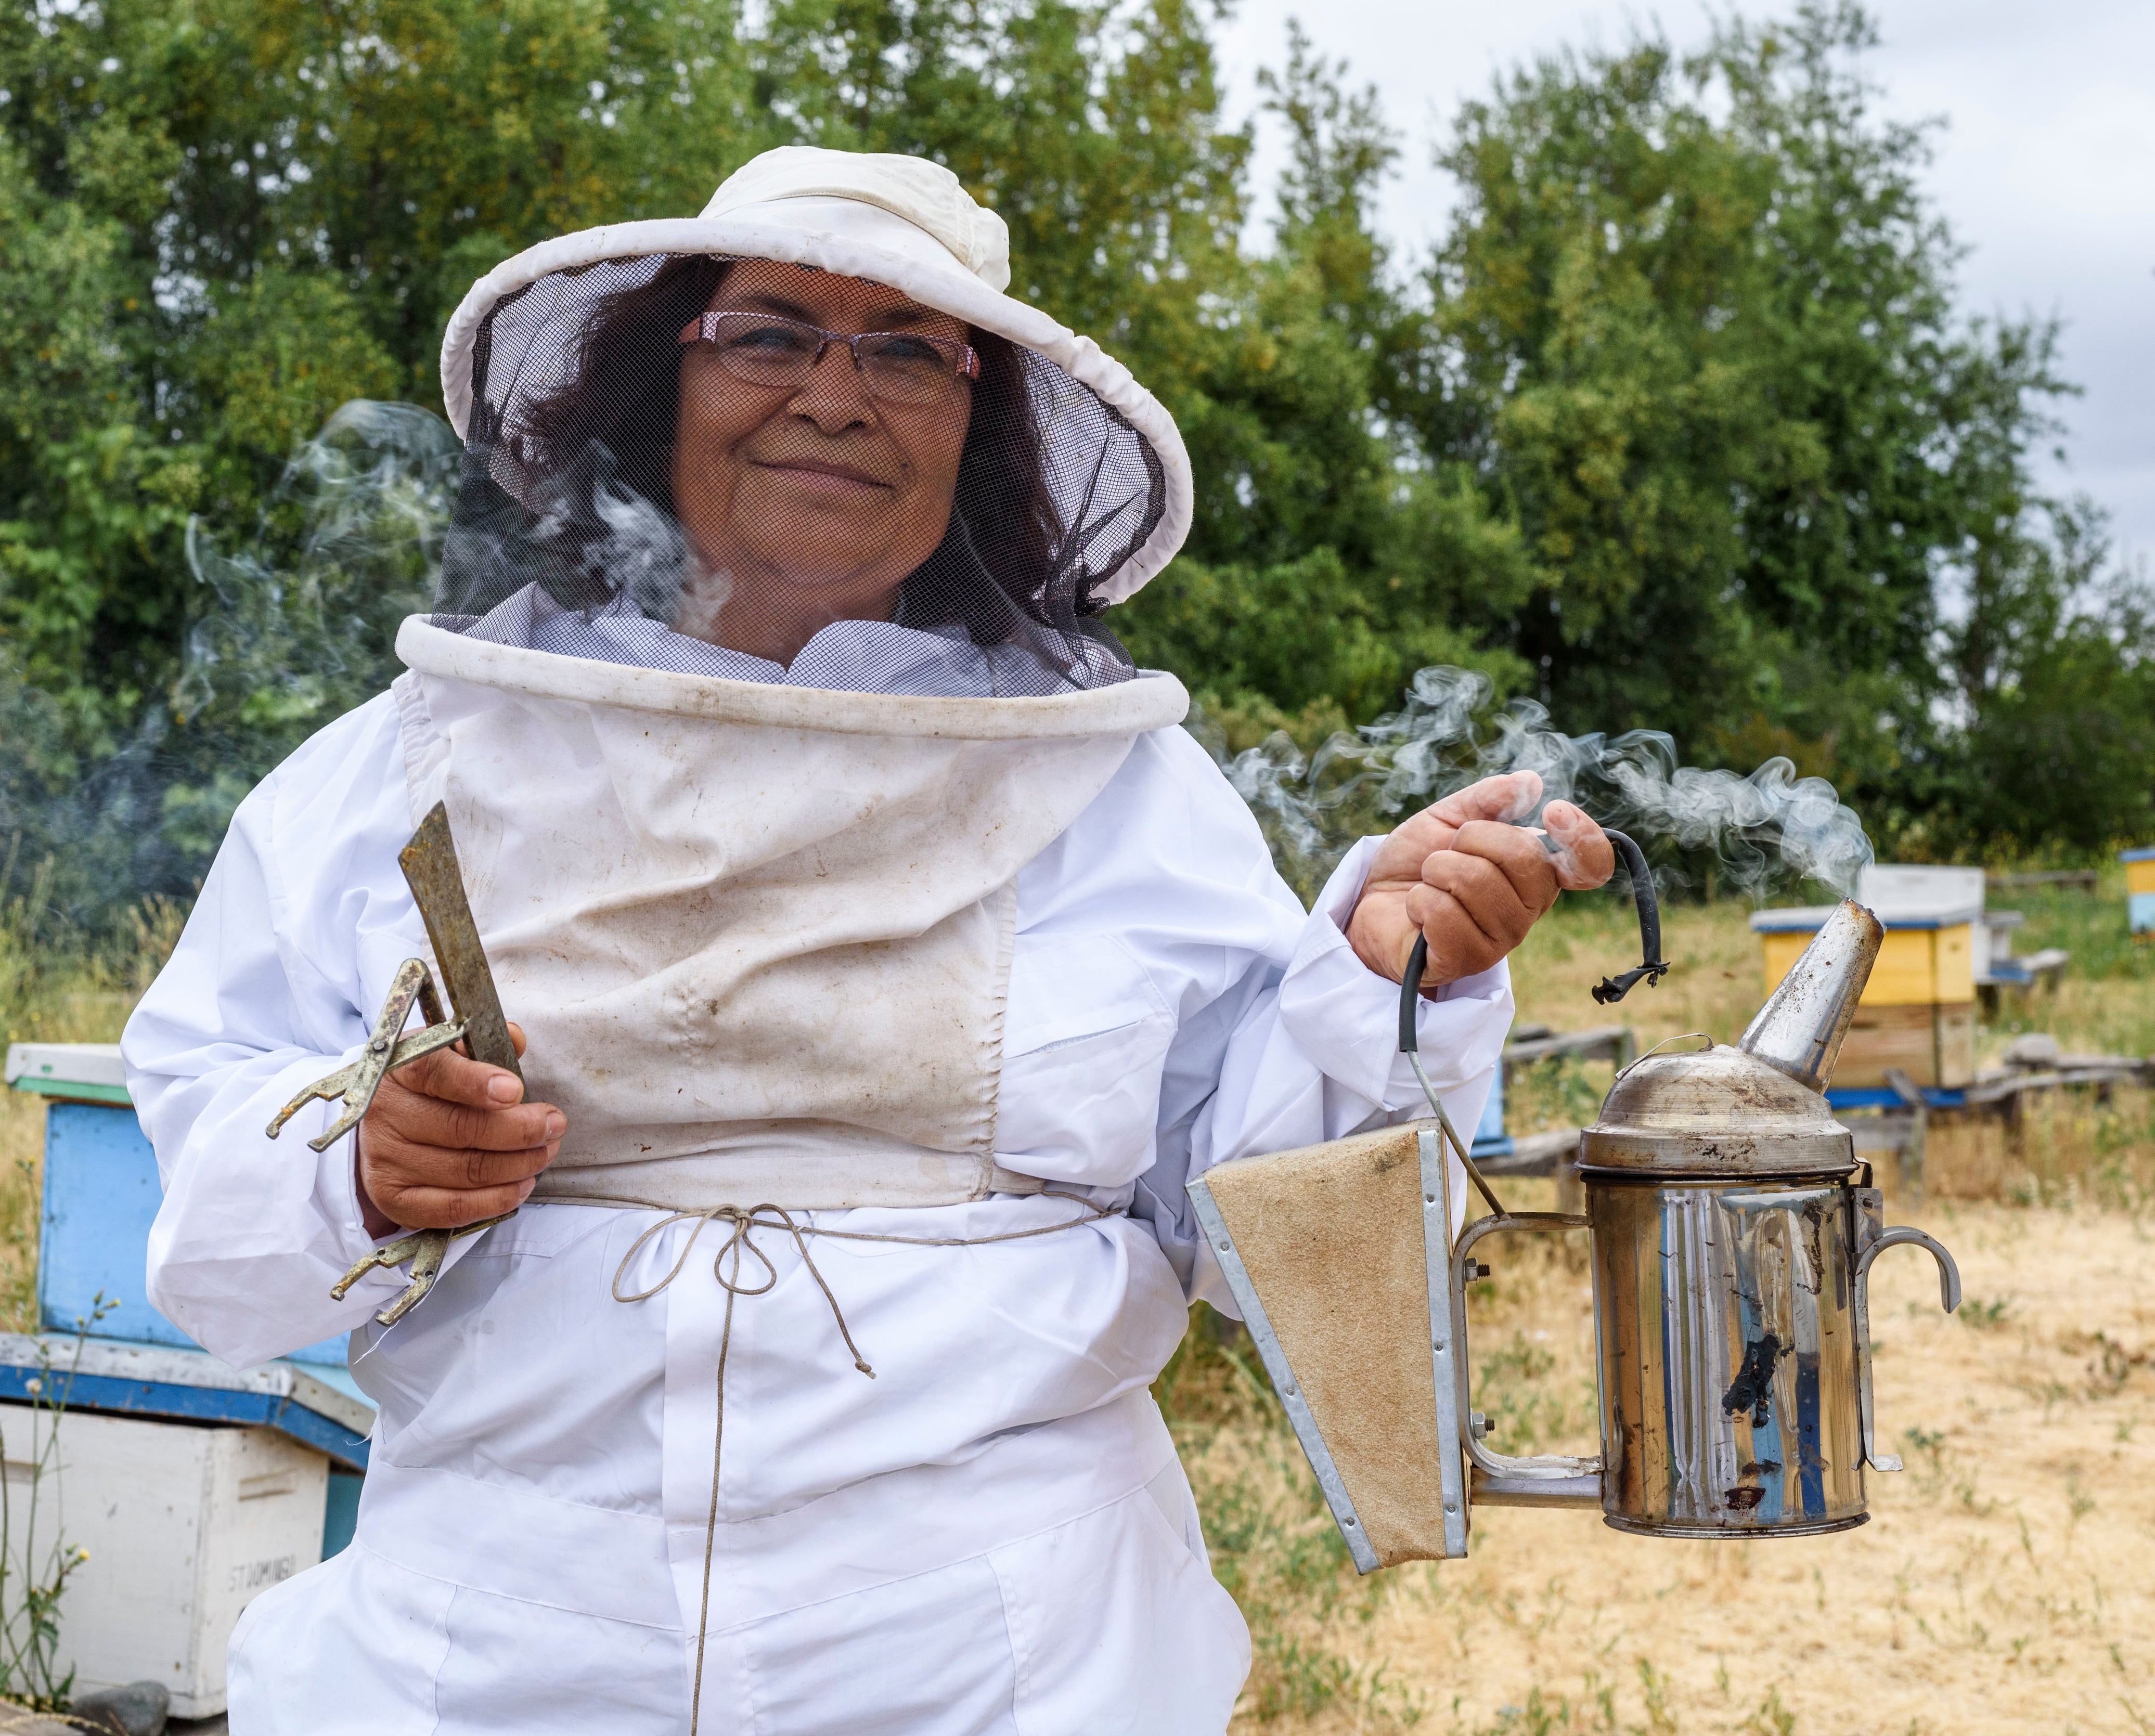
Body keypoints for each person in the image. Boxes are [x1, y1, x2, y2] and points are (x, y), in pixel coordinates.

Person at [124, 146, 1613, 1735]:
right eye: (770, 332)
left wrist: (1397, 970)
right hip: (488, 1664)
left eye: (909, 350)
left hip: (998, 1666)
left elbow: (1269, 1238)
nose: (837, 394)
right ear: (658, 386)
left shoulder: (1118, 789)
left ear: (979, 432)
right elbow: (212, 1226)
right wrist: (360, 1164)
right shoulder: (411, 759)